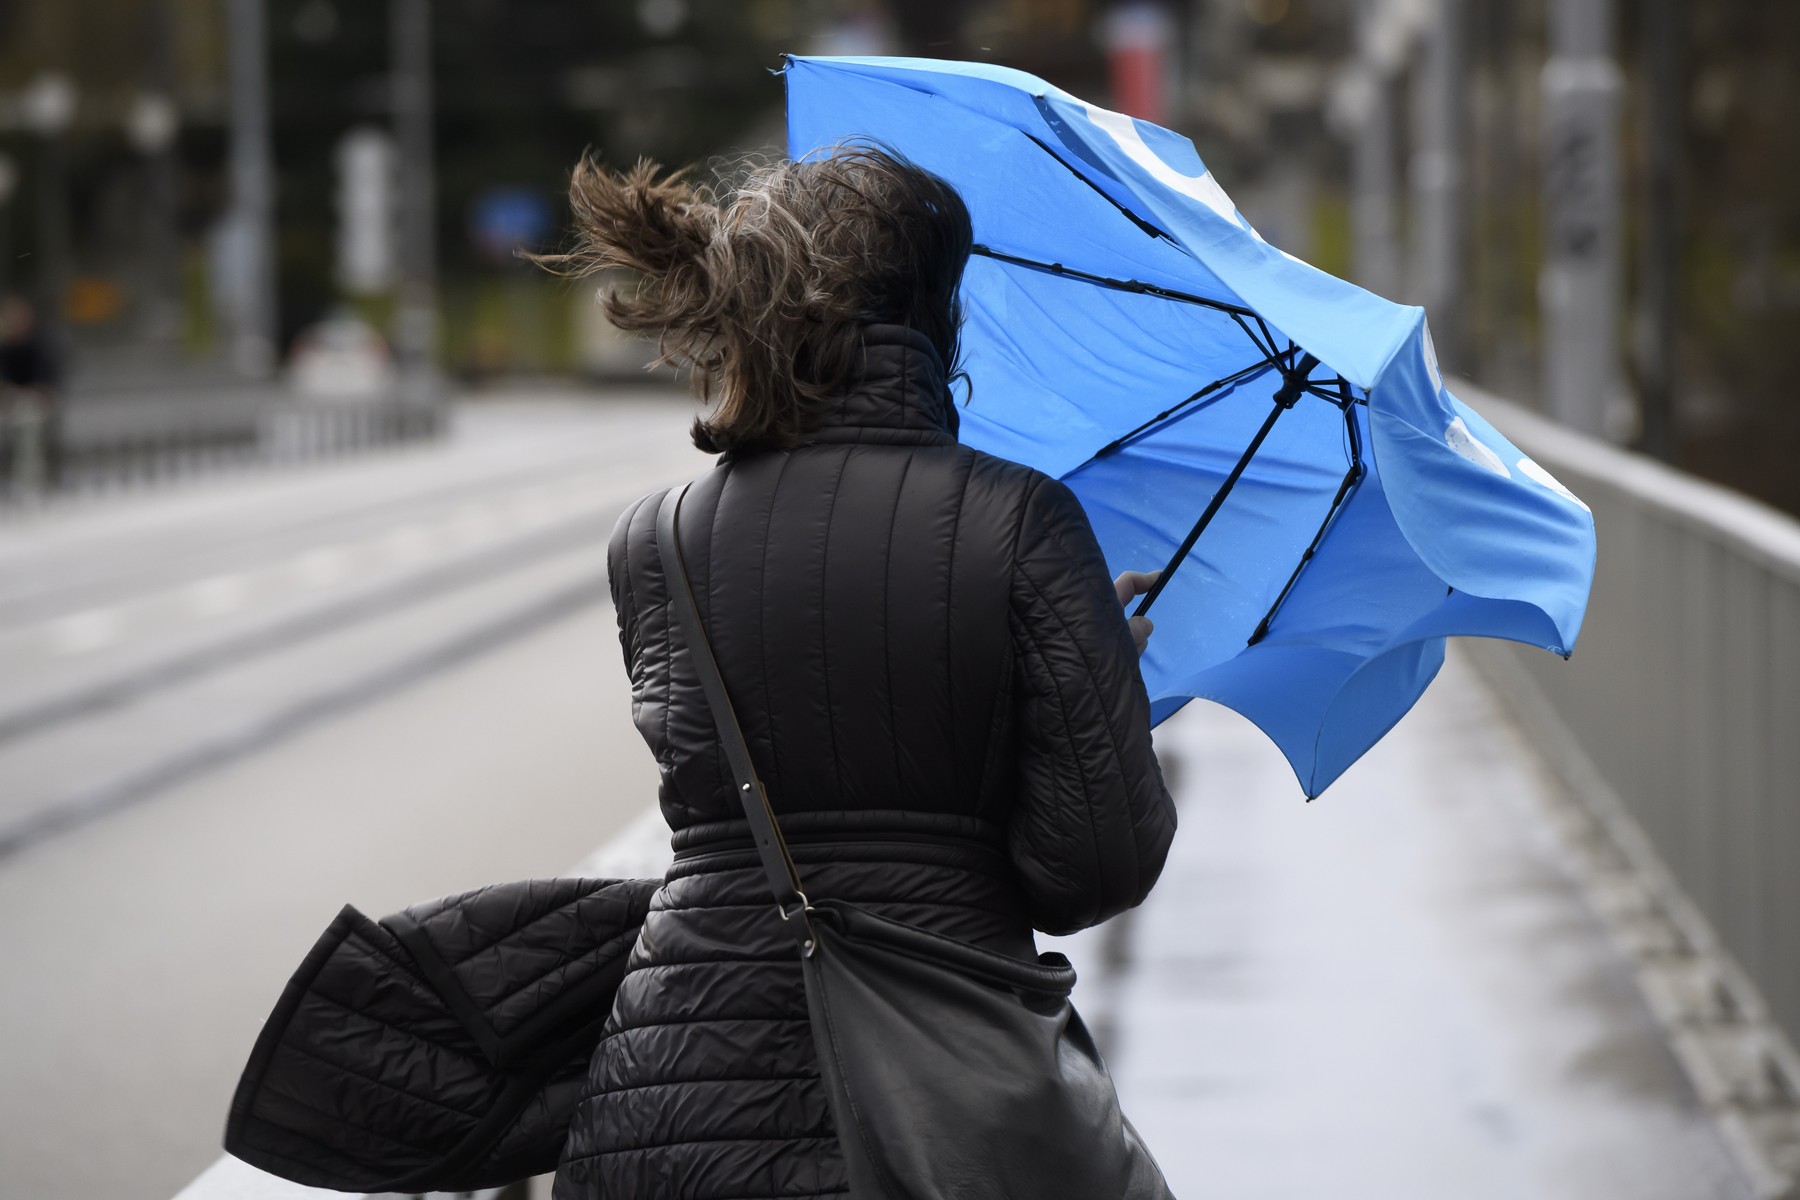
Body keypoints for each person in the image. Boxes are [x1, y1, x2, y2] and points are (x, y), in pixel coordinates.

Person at [545, 147, 1177, 1200]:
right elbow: (1093, 869)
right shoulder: (1021, 523)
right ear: (935, 316)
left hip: (667, 1112)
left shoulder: (655, 543)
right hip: (938, 1114)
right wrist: (1093, 689)